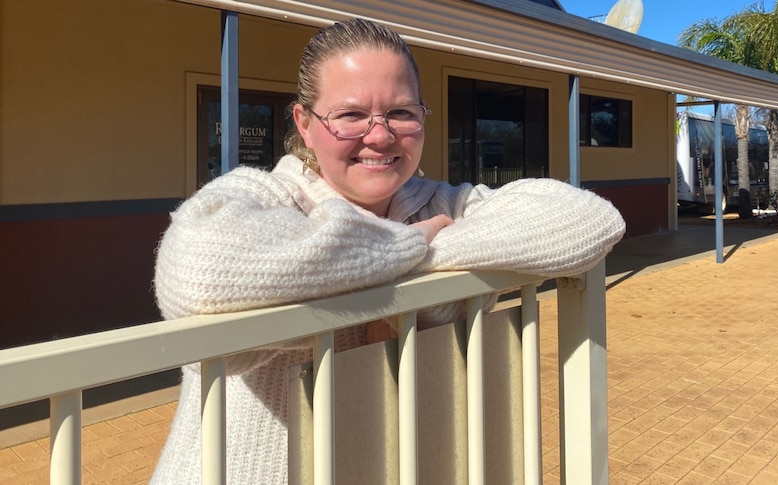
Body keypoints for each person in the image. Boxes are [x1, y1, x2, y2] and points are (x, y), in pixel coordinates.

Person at [150, 17, 625, 484]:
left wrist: (420, 260)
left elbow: (592, 222)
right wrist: (407, 246)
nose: (379, 136)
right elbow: (200, 274)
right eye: (351, 115)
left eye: (401, 113)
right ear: (305, 122)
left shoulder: (442, 204)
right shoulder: (265, 196)